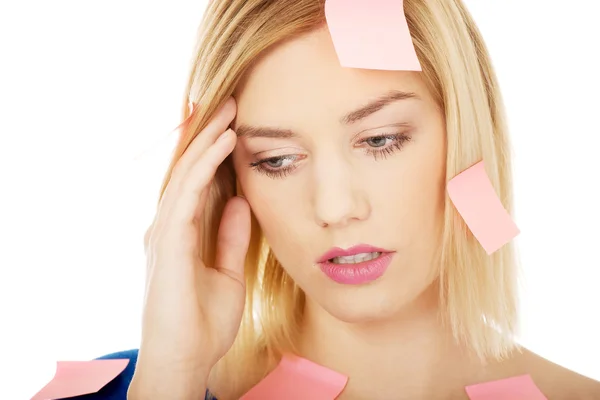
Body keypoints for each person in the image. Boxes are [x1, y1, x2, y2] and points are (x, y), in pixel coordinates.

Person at [71, 0, 600, 399]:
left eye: (379, 140)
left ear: (465, 131)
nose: (333, 207)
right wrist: (171, 380)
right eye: (276, 159)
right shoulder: (140, 387)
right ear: (225, 176)